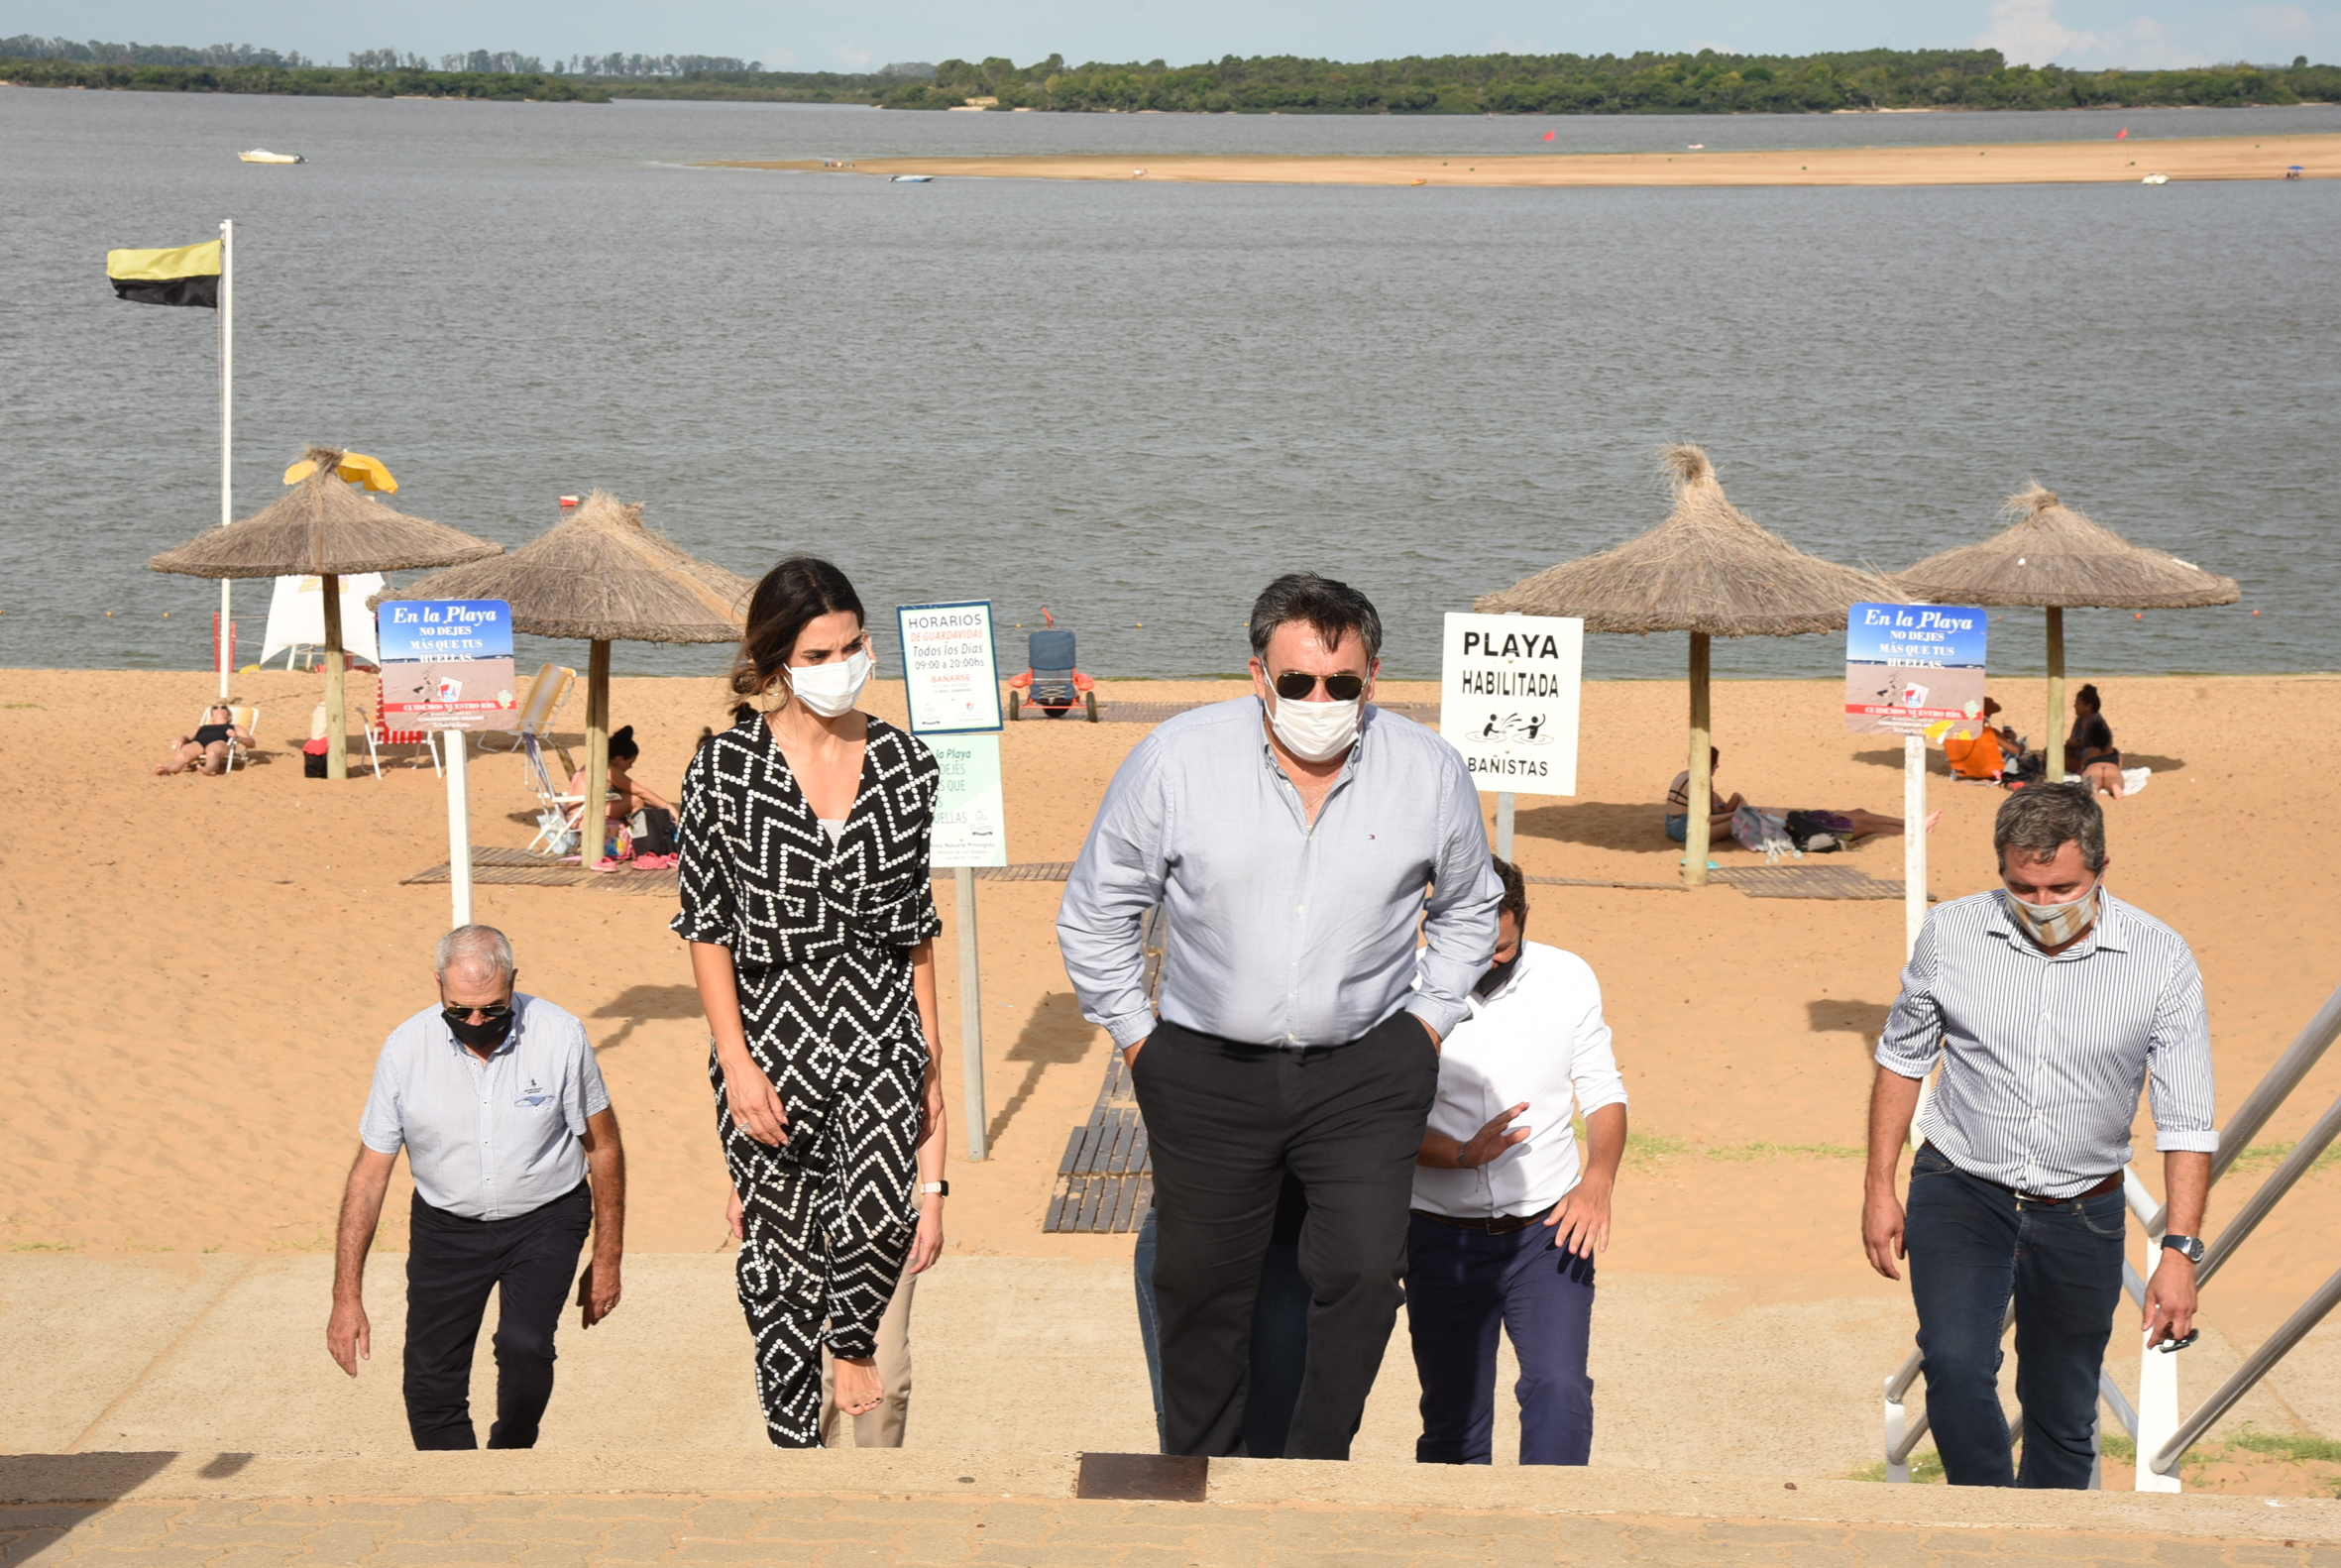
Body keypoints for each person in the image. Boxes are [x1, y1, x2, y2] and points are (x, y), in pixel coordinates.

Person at [1058, 571, 1501, 1460]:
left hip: (1368, 1069)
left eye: (1343, 683)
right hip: (1203, 1069)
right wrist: (1141, 1042)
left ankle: (1313, 1469)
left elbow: (1469, 908)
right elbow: (1097, 911)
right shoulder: (1177, 758)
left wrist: (1427, 1025)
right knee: (1195, 1284)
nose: (1320, 700)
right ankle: (1201, 1468)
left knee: (1367, 1275)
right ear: (1258, 674)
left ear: (1374, 676)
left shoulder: (1429, 768)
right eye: (1298, 682)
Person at [1861, 783, 2214, 1489]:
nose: (2044, 905)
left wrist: (2178, 1251)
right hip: (1960, 1186)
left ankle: (2050, 1543)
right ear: (2001, 870)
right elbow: (1902, 1059)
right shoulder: (1951, 933)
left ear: (2102, 869)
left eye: (2063, 887)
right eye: (2024, 887)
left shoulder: (2161, 959)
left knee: (2062, 1406)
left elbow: (2186, 1117)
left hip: (2084, 1207)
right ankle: (1987, 1523)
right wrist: (1878, 1188)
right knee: (1956, 1366)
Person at [674, 555, 949, 1449]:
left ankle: (856, 1345)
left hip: (876, 1028)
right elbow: (706, 926)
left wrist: (931, 1057)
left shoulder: (906, 765)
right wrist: (736, 1059)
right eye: (822, 651)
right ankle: (794, 1455)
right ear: (776, 662)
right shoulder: (723, 769)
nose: (844, 663)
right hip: (772, 1038)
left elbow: (915, 925)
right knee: (778, 1275)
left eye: (855, 645)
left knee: (877, 1214)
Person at [327, 925, 625, 1449]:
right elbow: (370, 1174)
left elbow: (602, 1147)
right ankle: (456, 1489)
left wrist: (606, 1261)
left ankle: (512, 1449)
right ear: (438, 985)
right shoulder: (404, 1050)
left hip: (546, 1218)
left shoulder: (560, 1035)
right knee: (429, 1375)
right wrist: (345, 1295)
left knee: (525, 1345)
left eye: (492, 1009)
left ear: (513, 981)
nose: (476, 1022)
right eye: (459, 1011)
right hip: (445, 1228)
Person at [1407, 856, 1626, 1467]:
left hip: (1548, 1230)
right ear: (1437, 928)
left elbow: (1604, 1091)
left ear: (1523, 918)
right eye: (1471, 951)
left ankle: (1553, 1542)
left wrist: (1598, 1182)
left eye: (1501, 948)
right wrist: (1459, 1155)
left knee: (1560, 1389)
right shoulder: (1399, 987)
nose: (1487, 964)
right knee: (1454, 1420)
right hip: (1436, 1236)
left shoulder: (1569, 977)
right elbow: (1375, 1122)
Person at [1666, 746, 1908, 842]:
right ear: (1708, 764)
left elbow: (1708, 810)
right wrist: (1738, 811)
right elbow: (1703, 818)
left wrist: (1736, 806)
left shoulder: (1685, 775)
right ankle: (1906, 826)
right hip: (1684, 829)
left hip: (1678, 824)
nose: (1716, 769)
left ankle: (1907, 825)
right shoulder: (1701, 780)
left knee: (1746, 814)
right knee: (1744, 816)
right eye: (1715, 765)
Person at [156, 702, 250, 776]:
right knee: (183, 754)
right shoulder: (202, 727)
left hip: (221, 743)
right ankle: (166, 770)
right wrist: (180, 739)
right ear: (212, 718)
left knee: (213, 751)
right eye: (215, 708)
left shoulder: (235, 726)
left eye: (223, 707)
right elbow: (188, 737)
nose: (219, 709)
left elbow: (252, 743)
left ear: (229, 717)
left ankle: (208, 768)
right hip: (199, 743)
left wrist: (238, 737)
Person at [1945, 698, 2025, 782]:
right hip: (1991, 771)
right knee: (2021, 746)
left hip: (1966, 769)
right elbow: (2015, 750)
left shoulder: (1953, 732)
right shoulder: (1989, 732)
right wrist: (2013, 738)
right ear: (1987, 716)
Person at [2065, 684, 2124, 799]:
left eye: (2078, 703)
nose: (2074, 706)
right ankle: (2115, 786)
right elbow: (2119, 765)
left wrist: (2083, 770)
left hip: (2089, 761)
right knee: (2113, 775)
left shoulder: (2095, 724)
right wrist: (2070, 742)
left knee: (2093, 776)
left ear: (2088, 706)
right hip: (2111, 762)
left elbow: (2083, 766)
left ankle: (2093, 788)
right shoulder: (2115, 752)